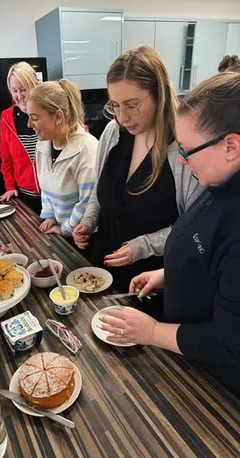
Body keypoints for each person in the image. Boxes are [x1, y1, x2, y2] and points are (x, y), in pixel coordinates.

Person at [99, 72, 240, 395]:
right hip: (187, 358)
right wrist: (168, 273)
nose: (181, 158)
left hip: (219, 386)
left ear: (230, 146)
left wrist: (151, 331)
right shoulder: (217, 179)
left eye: (188, 151)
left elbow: (230, 341)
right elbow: (206, 250)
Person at [73, 46, 203, 291]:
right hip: (99, 271)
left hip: (148, 281)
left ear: (158, 94)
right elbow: (99, 191)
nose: (123, 117)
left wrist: (143, 245)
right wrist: (89, 221)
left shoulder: (182, 148)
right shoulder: (113, 132)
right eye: (115, 105)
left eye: (132, 105)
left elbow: (193, 227)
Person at [27, 79, 98, 238]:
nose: (29, 124)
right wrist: (50, 216)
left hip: (83, 237)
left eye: (35, 118)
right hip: (58, 231)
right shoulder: (43, 145)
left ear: (58, 116)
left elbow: (87, 202)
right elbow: (46, 186)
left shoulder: (86, 150)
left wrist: (65, 229)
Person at [0, 61, 42, 214]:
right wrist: (9, 186)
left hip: (55, 197)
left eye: (24, 89)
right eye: (14, 90)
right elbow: (6, 158)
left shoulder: (49, 113)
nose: (19, 96)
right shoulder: (6, 118)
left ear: (35, 86)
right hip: (24, 197)